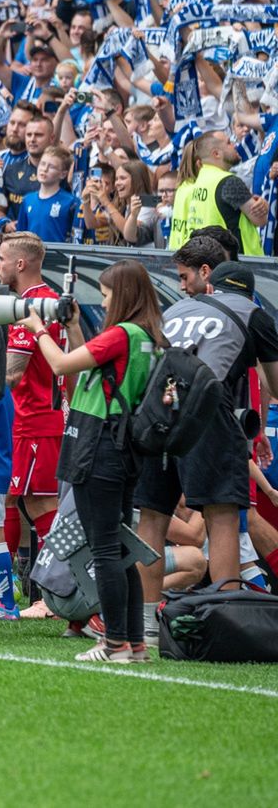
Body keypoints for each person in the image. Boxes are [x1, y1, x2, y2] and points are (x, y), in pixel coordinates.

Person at [16, 260, 166, 661]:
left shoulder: (121, 334)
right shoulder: (145, 335)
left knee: (104, 551)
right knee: (118, 550)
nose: (103, 301)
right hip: (120, 449)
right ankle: (132, 643)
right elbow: (90, 368)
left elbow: (64, 365)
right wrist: (71, 328)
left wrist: (38, 331)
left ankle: (114, 642)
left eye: (106, 294)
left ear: (124, 295)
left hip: (97, 447)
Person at [134, 245, 278, 641]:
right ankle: (230, 623)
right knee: (223, 516)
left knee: (152, 516)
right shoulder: (253, 313)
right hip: (206, 409)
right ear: (250, 293)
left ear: (210, 285)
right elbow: (276, 385)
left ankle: (145, 625)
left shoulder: (178, 308)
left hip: (154, 410)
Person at [0, 231, 67, 616]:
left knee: (39, 504)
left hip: (35, 420)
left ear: (20, 264)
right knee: (13, 498)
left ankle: (54, 594)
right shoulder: (47, 301)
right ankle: (7, 590)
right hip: (32, 419)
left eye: (2, 260)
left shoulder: (32, 307)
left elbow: (10, 374)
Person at [167, 131, 269, 256]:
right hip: (237, 263)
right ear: (216, 154)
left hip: (208, 259)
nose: (235, 145)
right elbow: (260, 220)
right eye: (228, 143)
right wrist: (264, 206)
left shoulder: (198, 181)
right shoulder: (229, 181)